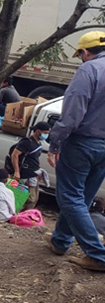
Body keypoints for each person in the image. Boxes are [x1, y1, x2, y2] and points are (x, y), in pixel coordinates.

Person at [46, 30, 105, 271]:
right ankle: (60, 241)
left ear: (85, 52)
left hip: (82, 143)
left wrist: (55, 142)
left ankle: (98, 255)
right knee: (83, 197)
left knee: (70, 197)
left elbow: (72, 113)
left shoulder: (88, 70)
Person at [5, 121, 50, 210]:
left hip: (33, 174)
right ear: (38, 131)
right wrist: (17, 171)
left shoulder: (38, 143)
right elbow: (15, 155)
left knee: (33, 199)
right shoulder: (27, 142)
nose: (46, 135)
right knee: (26, 198)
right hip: (25, 174)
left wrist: (39, 171)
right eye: (45, 133)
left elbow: (35, 158)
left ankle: (24, 215)